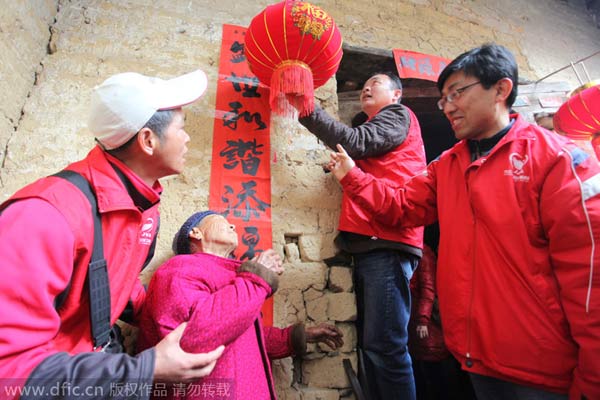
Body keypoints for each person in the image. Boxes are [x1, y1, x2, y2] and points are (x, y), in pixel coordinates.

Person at [326, 43, 600, 400]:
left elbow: (590, 275)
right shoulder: (447, 166)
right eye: (443, 98)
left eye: (458, 92)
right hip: (474, 360)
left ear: (501, 89)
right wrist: (352, 177)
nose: (448, 106)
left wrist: (593, 381)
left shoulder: (557, 159)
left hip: (542, 370)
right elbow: (400, 207)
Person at [0, 70, 225, 399]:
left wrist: (181, 309)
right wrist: (142, 371)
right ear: (148, 140)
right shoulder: (43, 216)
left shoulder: (144, 210)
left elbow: (115, 282)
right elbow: (9, 372)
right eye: (182, 127)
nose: (188, 138)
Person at [297, 71, 426, 400]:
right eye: (365, 82)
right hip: (377, 242)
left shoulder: (398, 115)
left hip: (388, 241)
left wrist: (308, 106)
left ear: (396, 95)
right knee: (376, 346)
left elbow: (354, 142)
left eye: (377, 83)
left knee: (386, 347)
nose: (367, 86)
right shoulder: (380, 131)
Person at [137, 210, 344, 399]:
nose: (233, 226)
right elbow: (195, 336)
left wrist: (299, 336)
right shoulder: (177, 269)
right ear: (196, 233)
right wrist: (256, 276)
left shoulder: (233, 276)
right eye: (221, 221)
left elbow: (246, 337)